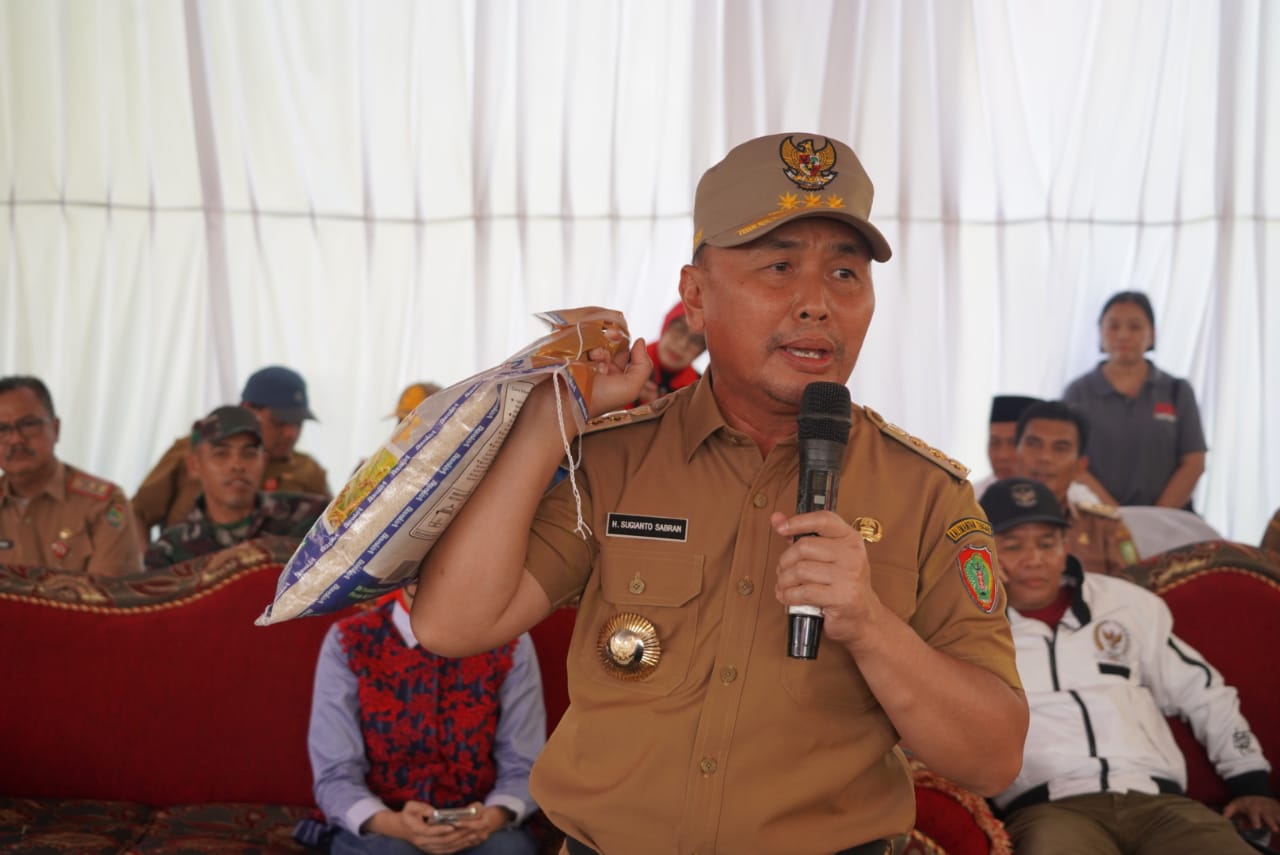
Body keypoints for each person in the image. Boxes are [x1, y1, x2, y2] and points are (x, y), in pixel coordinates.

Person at [410, 132, 1028, 854]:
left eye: (845, 274)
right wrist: (553, 420)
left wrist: (867, 621)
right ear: (695, 298)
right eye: (779, 267)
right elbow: (451, 625)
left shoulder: (928, 493)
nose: (816, 304)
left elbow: (992, 757)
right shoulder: (617, 459)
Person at [978, 477, 1280, 854]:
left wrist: (1251, 783)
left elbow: (1203, 693)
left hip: (1159, 805)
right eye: (1012, 546)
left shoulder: (1125, 604)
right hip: (1050, 810)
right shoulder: (973, 630)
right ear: (983, 551)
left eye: (1046, 543)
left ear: (1065, 543)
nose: (1035, 559)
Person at [303, 581, 544, 855]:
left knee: (508, 851)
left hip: (484, 825)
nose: (424, 569)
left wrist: (492, 817)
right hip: (382, 826)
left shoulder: (509, 641)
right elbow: (335, 774)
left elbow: (525, 764)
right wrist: (391, 824)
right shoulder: (349, 640)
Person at [132, 366, 331, 540]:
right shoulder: (194, 451)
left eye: (298, 423)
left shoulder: (308, 470)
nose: (290, 433)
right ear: (249, 410)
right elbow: (138, 514)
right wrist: (148, 571)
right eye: (279, 422)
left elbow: (333, 530)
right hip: (190, 572)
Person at [1063, 291, 1207, 510]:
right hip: (1098, 520)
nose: (1123, 335)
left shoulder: (1177, 390)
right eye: (1113, 326)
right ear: (1100, 333)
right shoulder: (1078, 393)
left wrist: (1155, 518)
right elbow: (1071, 462)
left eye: (1134, 326)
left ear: (1152, 334)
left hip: (1170, 521)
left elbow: (1193, 462)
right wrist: (1118, 517)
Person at [144, 406, 329, 570]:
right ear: (194, 465)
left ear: (263, 461)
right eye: (221, 454)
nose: (237, 465)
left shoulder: (307, 516)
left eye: (249, 453)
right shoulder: (170, 550)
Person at [0, 375, 143, 576]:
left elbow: (107, 598)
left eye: (28, 424)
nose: (16, 439)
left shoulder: (104, 503)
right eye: (2, 429)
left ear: (56, 429)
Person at [1014, 400, 1139, 576]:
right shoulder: (980, 521)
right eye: (1034, 444)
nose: (1045, 457)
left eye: (1060, 448)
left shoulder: (1104, 526)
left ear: (1080, 466)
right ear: (1015, 454)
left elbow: (1136, 590)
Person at [633, 302, 706, 406]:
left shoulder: (700, 393)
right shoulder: (623, 364)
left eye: (696, 341)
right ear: (666, 325)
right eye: (680, 329)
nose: (682, 344)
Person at [971, 394, 1042, 500]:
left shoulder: (1069, 498)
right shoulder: (971, 498)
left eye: (1014, 444)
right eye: (994, 443)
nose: (1002, 456)